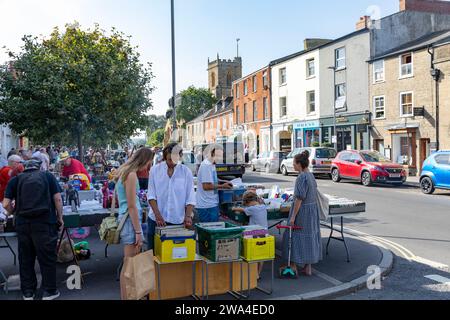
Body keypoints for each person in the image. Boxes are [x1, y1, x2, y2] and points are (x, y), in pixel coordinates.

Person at [3, 159, 64, 300]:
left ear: (24, 168)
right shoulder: (48, 177)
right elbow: (58, 199)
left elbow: (6, 204)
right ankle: (49, 291)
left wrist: (14, 212)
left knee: (26, 258)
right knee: (47, 258)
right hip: (44, 222)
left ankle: (28, 292)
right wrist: (60, 217)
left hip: (23, 224)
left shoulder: (16, 180)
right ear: (40, 167)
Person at [115, 148, 154, 300]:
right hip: (131, 223)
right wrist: (138, 232)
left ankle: (128, 296)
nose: (148, 167)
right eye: (149, 163)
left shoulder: (125, 172)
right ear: (144, 160)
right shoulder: (131, 175)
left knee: (129, 264)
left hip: (129, 221)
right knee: (130, 265)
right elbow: (131, 206)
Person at [280, 150, 322, 277]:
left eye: (294, 163)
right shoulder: (310, 175)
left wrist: (293, 216)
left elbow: (299, 198)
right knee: (310, 236)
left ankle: (293, 265)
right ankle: (308, 267)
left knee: (293, 236)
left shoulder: (301, 177)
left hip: (303, 211)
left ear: (299, 164)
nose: (293, 165)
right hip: (312, 211)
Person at [147, 143, 196, 250]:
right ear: (165, 157)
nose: (172, 162)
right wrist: (157, 215)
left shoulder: (185, 172)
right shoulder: (155, 170)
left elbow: (190, 197)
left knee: (173, 256)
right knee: (153, 253)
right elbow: (151, 195)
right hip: (156, 220)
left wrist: (188, 216)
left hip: (177, 220)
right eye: (170, 159)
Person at [232, 190, 268, 276]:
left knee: (252, 253)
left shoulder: (251, 209)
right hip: (265, 232)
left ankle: (251, 272)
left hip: (254, 233)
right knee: (261, 254)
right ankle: (257, 273)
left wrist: (233, 208)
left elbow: (241, 209)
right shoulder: (263, 206)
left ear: (248, 202)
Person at [196, 145, 232, 223]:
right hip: (206, 205)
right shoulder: (206, 166)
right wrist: (223, 186)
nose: (220, 158)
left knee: (213, 229)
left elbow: (212, 179)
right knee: (209, 231)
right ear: (211, 154)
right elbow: (206, 186)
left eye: (221, 156)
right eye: (218, 156)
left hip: (211, 203)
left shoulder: (211, 164)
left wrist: (223, 181)